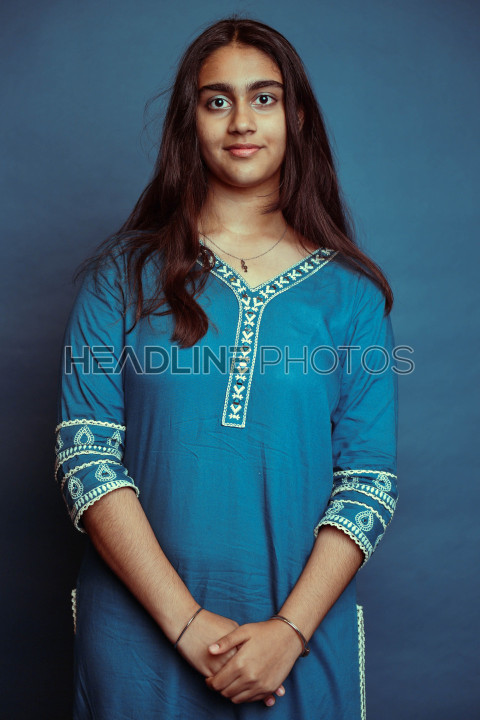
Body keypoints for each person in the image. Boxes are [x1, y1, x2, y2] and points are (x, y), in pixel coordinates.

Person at [55, 15, 398, 720]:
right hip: (139, 641)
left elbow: (368, 482)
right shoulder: (121, 276)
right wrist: (187, 625)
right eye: (218, 101)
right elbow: (85, 460)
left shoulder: (353, 296)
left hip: (299, 646)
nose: (242, 120)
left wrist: (288, 633)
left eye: (264, 97)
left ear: (296, 117)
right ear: (191, 121)